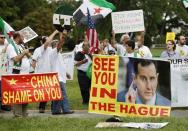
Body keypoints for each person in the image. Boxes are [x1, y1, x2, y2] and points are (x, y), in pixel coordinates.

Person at [32, 30, 59, 113]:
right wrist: (55, 32)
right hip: (42, 74)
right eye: (48, 40)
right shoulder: (39, 49)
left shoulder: (51, 49)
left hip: (51, 73)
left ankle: (53, 108)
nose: (50, 41)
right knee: (44, 92)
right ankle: (41, 107)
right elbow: (33, 62)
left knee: (53, 91)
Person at [6, 32, 31, 117]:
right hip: (16, 75)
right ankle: (18, 115)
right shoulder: (11, 46)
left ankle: (24, 113)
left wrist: (27, 53)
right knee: (17, 94)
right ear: (18, 37)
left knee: (25, 94)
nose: (24, 38)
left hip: (25, 74)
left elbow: (29, 56)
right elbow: (16, 59)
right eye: (23, 36)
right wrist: (24, 53)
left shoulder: (21, 46)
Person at [50, 30, 74, 115]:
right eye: (57, 44)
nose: (60, 45)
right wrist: (63, 37)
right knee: (62, 94)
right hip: (57, 77)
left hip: (60, 77)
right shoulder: (53, 52)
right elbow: (60, 44)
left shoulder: (58, 54)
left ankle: (56, 110)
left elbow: (61, 65)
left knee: (58, 94)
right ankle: (65, 109)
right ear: (54, 46)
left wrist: (66, 73)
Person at [74, 40, 92, 105]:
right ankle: (85, 101)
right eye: (85, 46)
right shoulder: (79, 54)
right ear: (83, 47)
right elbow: (75, 64)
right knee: (84, 88)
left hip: (90, 73)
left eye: (88, 46)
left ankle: (91, 100)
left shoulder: (90, 54)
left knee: (91, 87)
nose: (87, 47)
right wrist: (83, 61)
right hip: (82, 74)